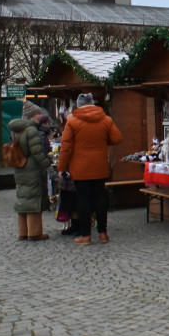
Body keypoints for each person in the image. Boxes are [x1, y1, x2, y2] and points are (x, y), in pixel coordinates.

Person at [57, 93, 123, 246]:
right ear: (92, 104)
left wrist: (61, 168)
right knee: (100, 199)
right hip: (99, 166)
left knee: (83, 201)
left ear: (79, 105)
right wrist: (101, 140)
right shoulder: (106, 119)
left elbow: (66, 147)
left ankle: (85, 235)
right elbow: (117, 138)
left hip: (80, 169)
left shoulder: (72, 121)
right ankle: (103, 234)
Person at [7, 100, 54, 241]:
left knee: (23, 199)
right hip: (32, 168)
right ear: (31, 116)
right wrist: (49, 168)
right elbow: (37, 153)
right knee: (34, 199)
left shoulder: (16, 129)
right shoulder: (31, 130)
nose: (40, 115)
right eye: (37, 113)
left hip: (20, 167)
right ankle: (34, 233)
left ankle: (23, 232)